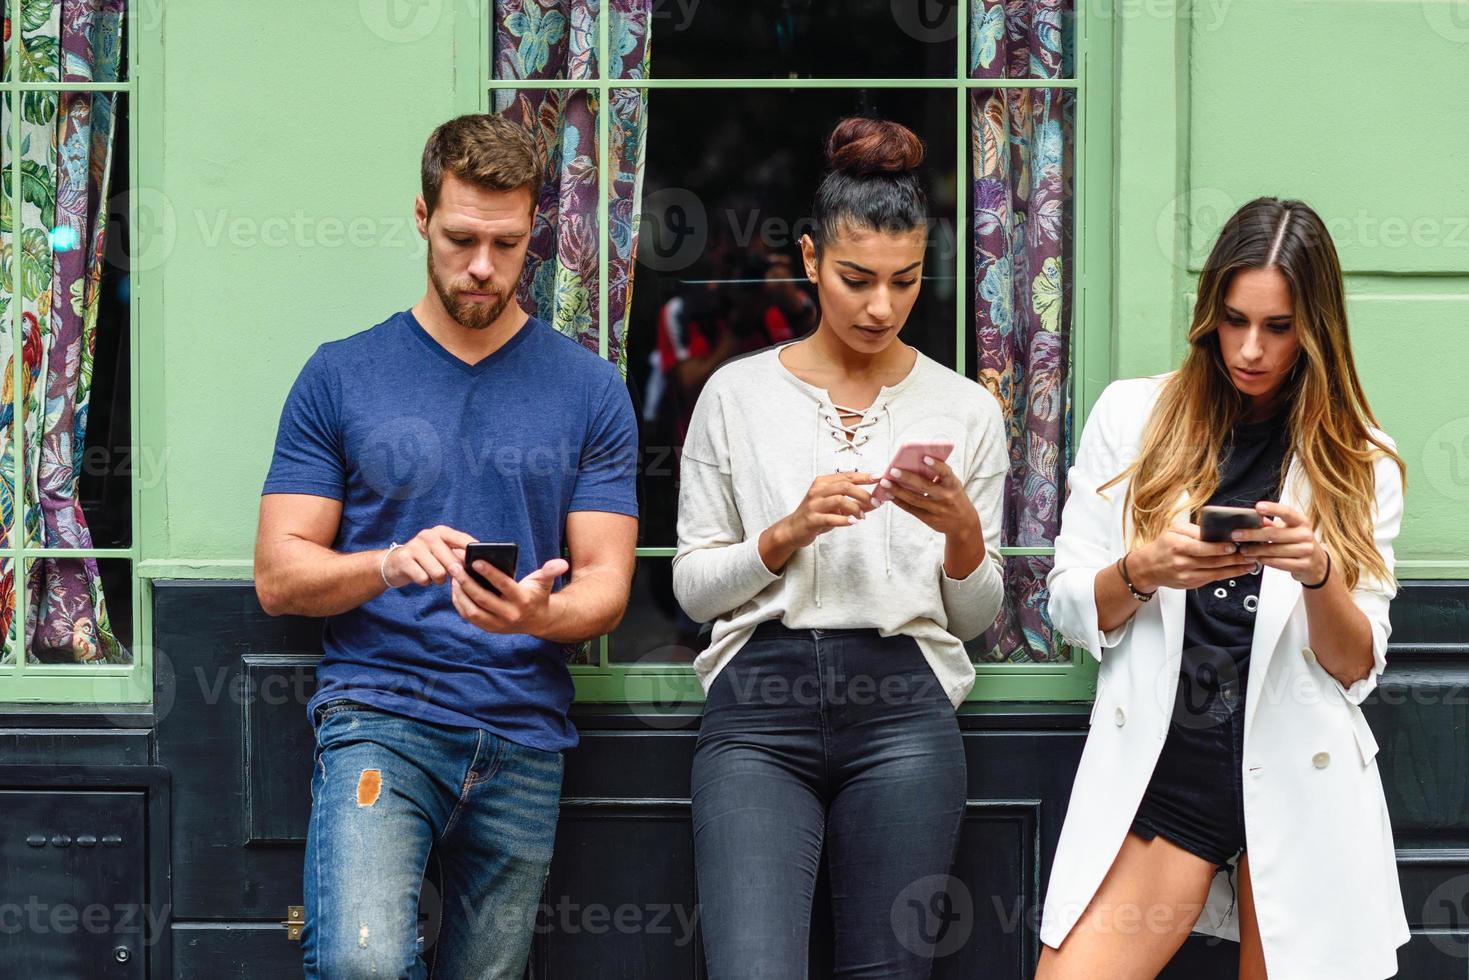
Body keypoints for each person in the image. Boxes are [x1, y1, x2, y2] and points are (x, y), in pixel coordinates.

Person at [253, 114, 639, 979]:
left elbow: (608, 585)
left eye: (506, 245)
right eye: (461, 237)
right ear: (420, 217)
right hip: (379, 720)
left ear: (533, 229)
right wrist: (386, 562)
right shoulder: (340, 374)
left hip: (524, 733)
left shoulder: (589, 390)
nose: (481, 266)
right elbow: (278, 576)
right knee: (363, 967)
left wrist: (541, 613)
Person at [1036, 198, 1409, 979]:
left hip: (1302, 787)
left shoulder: (1357, 457)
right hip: (1170, 773)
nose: (1249, 349)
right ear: (1210, 312)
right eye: (1234, 320)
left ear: (1315, 327)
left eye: (1277, 328)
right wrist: (1142, 571)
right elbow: (1065, 603)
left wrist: (1317, 572)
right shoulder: (1134, 415)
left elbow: (1354, 667)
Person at [675, 116, 1008, 978]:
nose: (880, 306)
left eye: (903, 282)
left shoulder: (964, 409)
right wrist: (781, 537)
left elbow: (973, 616)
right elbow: (692, 590)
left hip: (904, 707)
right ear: (810, 256)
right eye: (856, 278)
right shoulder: (735, 396)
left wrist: (965, 540)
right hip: (758, 705)